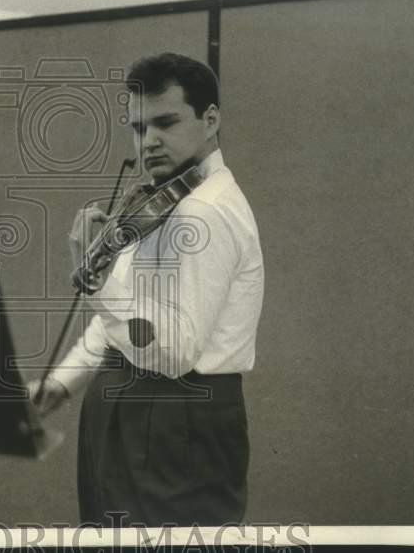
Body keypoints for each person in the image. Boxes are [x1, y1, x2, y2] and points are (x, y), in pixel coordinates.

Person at [27, 52, 264, 527]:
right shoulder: (166, 197)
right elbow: (124, 320)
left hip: (173, 423)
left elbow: (173, 352)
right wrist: (63, 382)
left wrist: (96, 282)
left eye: (166, 122)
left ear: (210, 119)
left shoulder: (204, 212)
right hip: (132, 416)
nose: (149, 142)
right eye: (138, 129)